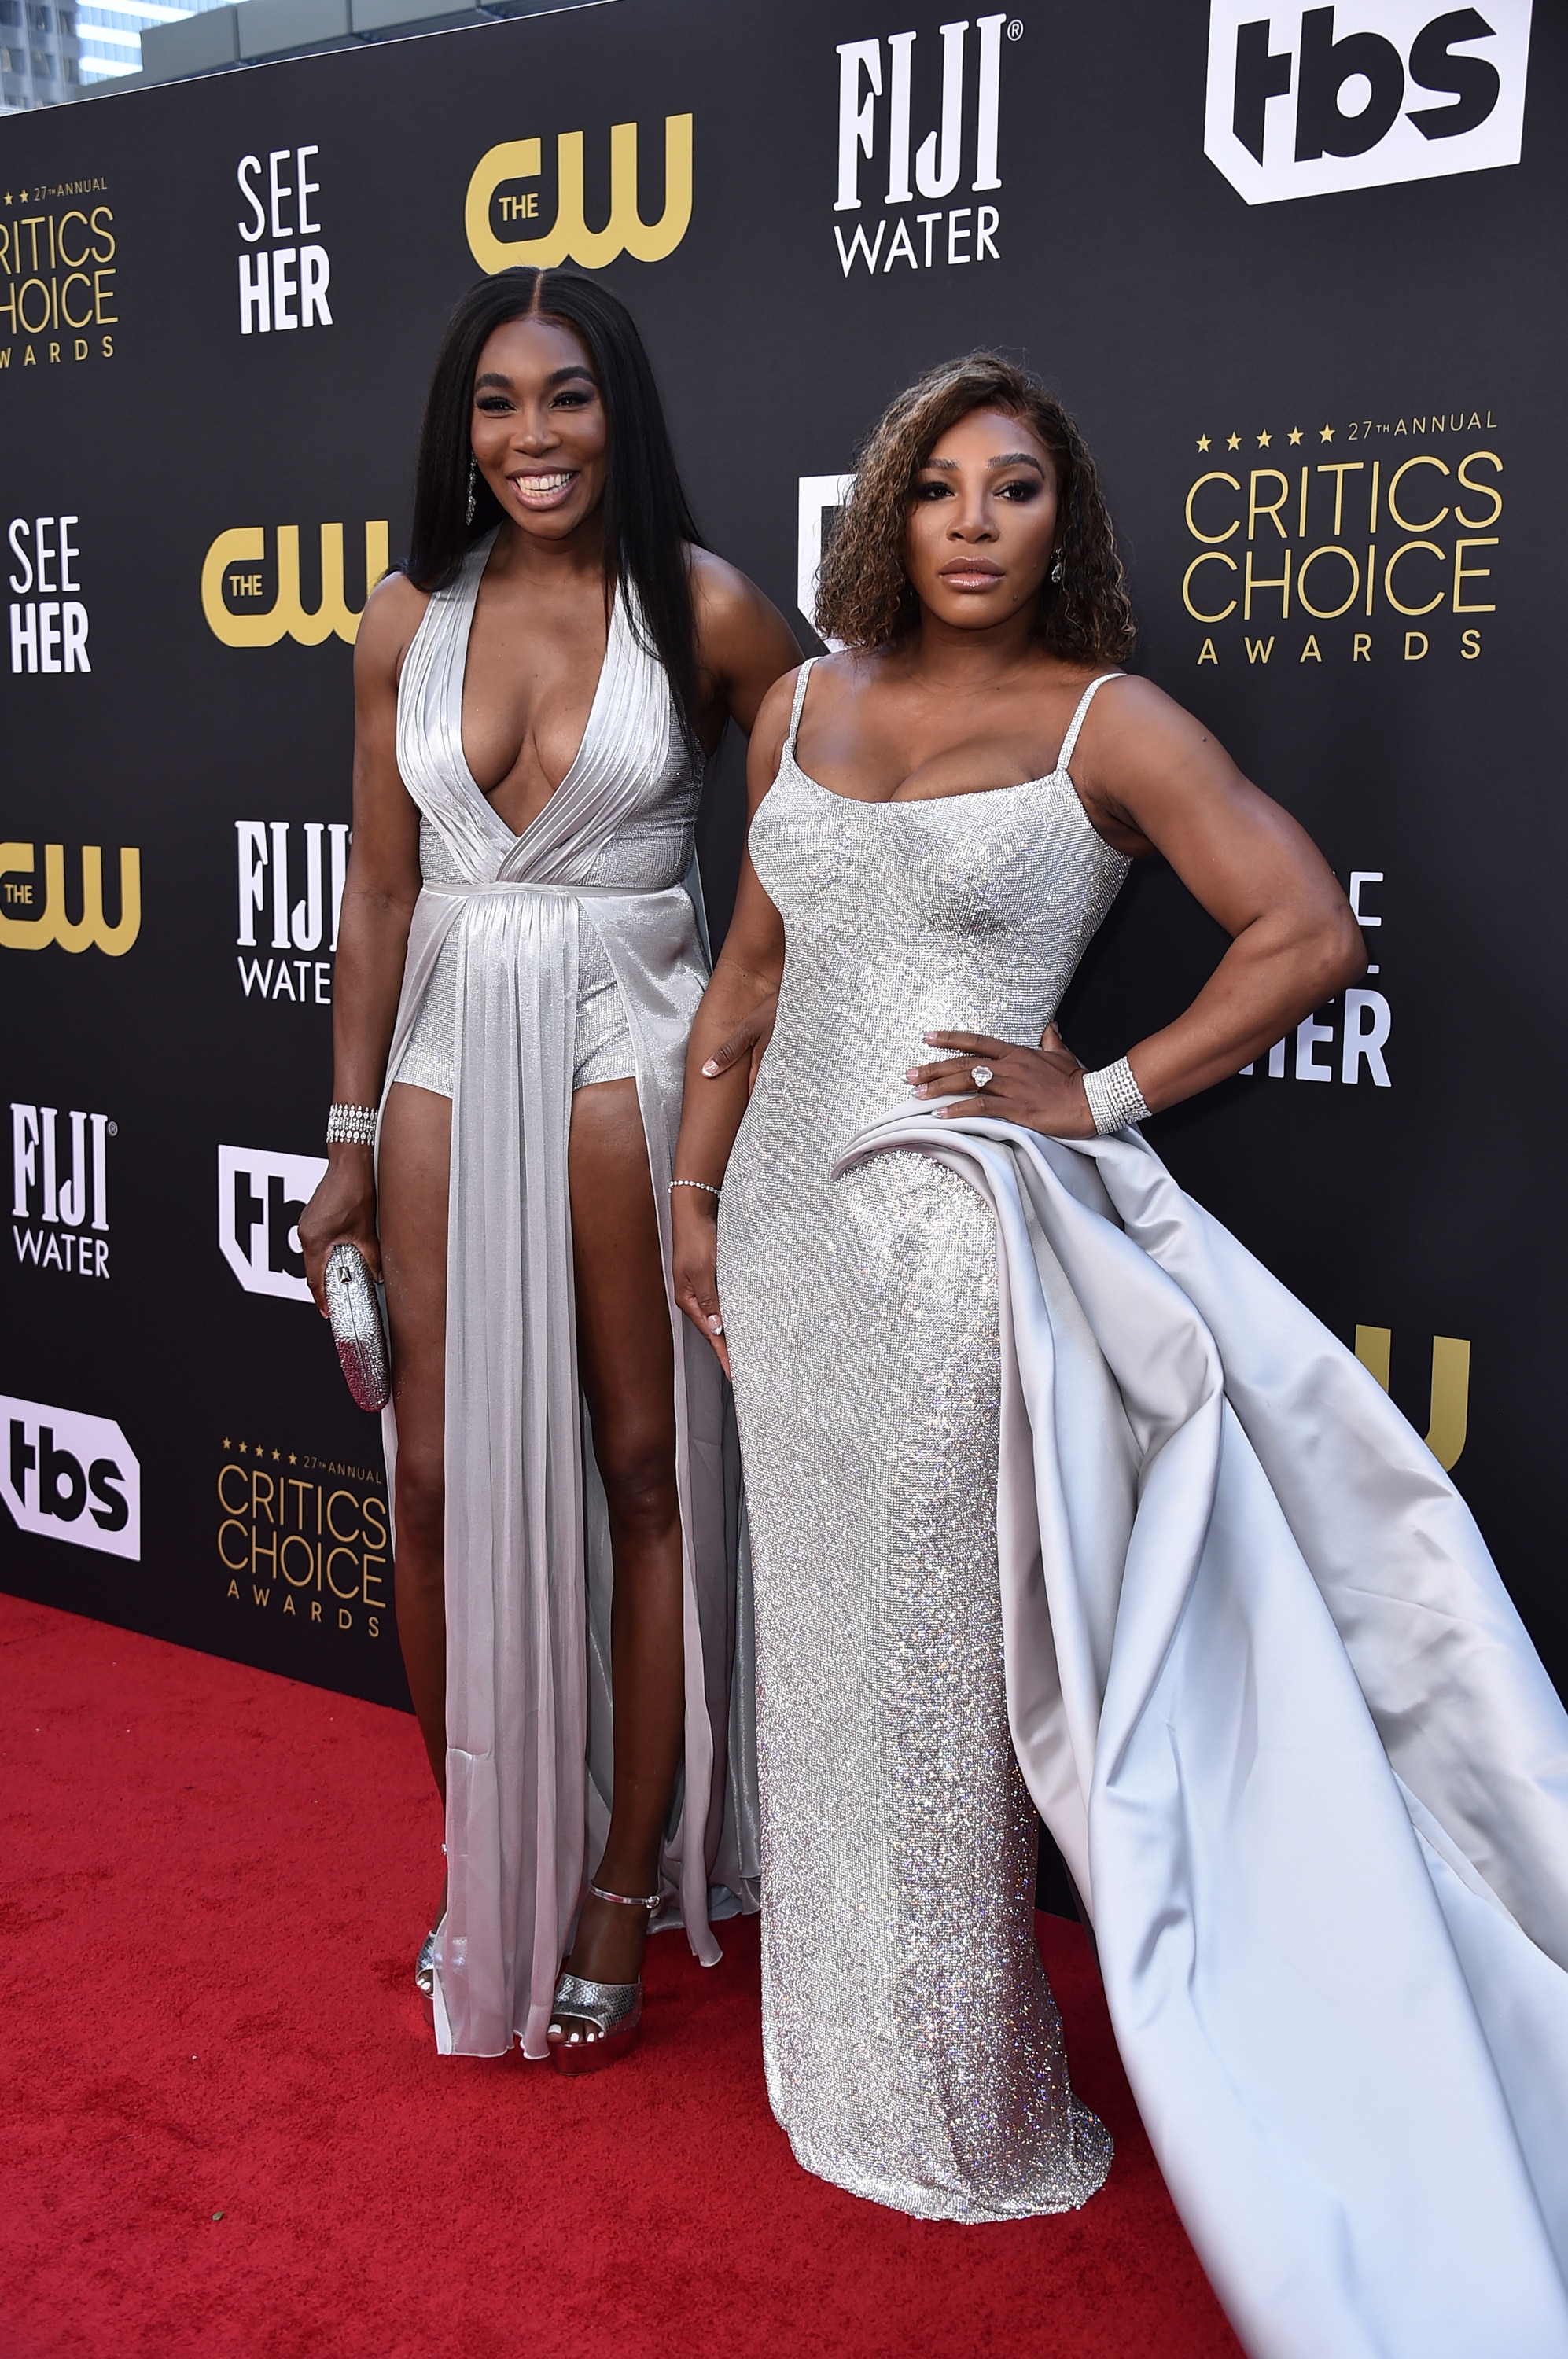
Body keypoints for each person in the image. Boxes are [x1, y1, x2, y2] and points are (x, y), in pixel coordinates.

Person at [671, 354, 1568, 2352]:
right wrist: (692, 1194)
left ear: (1058, 525)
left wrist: (1106, 1093)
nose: (977, 522)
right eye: (943, 489)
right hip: (794, 1255)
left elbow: (1303, 930)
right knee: (823, 1653)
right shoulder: (801, 707)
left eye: (1017, 492)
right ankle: (839, 2067)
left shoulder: (1111, 721)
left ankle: (964, 2102)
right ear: (888, 513)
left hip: (947, 1259)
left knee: (933, 1676)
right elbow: (750, 971)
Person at [298, 268, 797, 2071]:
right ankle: (485, 1849)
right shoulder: (401, 621)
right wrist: (346, 1137)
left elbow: (826, 851)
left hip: (630, 1048)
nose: (533, 437)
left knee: (642, 1469)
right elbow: (377, 891)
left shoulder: (715, 612)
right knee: (430, 1480)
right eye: (499, 403)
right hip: (438, 1051)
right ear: (463, 426)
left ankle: (613, 1881)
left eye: (567, 397)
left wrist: (749, 1047)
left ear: (621, 409)